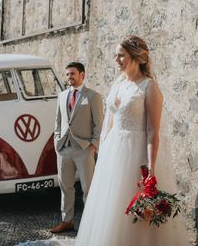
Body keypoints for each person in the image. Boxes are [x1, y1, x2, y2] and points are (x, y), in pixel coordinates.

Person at [73, 35, 187, 245]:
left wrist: (151, 170)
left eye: (121, 55)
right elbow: (110, 122)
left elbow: (153, 131)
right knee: (111, 208)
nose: (116, 60)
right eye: (115, 55)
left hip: (137, 155)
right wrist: (103, 151)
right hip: (113, 153)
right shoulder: (118, 83)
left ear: (137, 57)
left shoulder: (149, 88)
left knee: (138, 212)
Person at [50, 62, 104, 234]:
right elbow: (58, 122)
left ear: (82, 75)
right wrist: (56, 141)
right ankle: (67, 221)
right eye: (67, 74)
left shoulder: (93, 96)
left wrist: (94, 146)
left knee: (87, 187)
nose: (69, 77)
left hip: (84, 148)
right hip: (63, 148)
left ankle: (90, 224)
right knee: (65, 186)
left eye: (72, 73)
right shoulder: (62, 95)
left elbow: (99, 125)